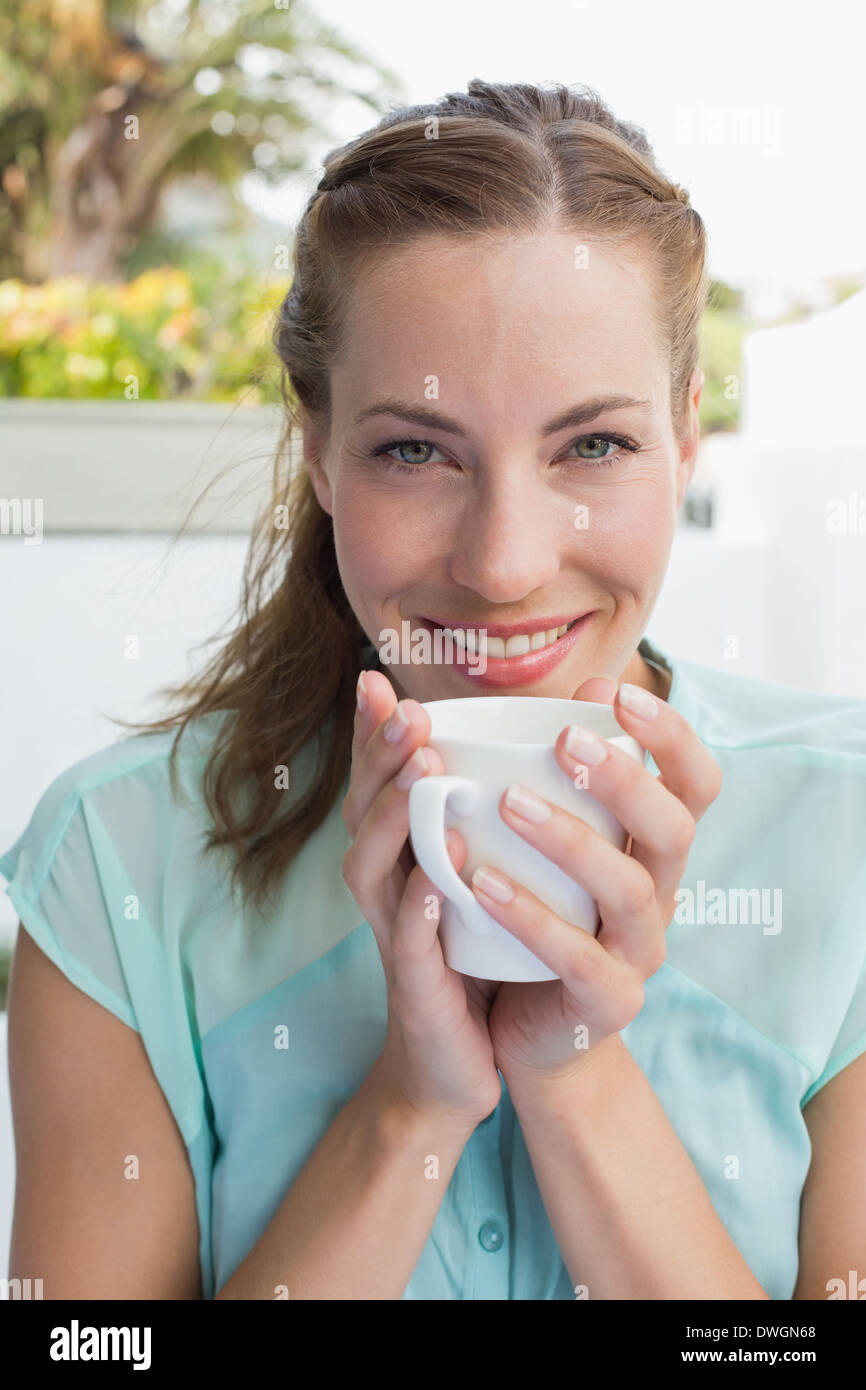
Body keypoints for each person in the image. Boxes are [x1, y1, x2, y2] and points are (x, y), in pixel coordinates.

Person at [4, 79, 866, 1302]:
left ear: (685, 438)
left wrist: (575, 1075)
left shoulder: (847, 840)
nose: (504, 563)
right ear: (315, 449)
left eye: (592, 445)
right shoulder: (115, 866)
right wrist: (413, 1106)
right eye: (414, 450)